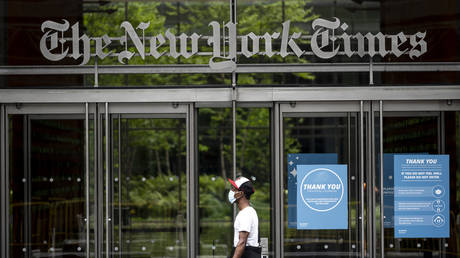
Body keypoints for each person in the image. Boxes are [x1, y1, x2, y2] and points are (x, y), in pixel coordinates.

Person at [227, 177, 261, 258]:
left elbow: (242, 242)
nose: (231, 191)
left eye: (234, 189)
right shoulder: (247, 211)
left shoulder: (246, 214)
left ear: (240, 193)